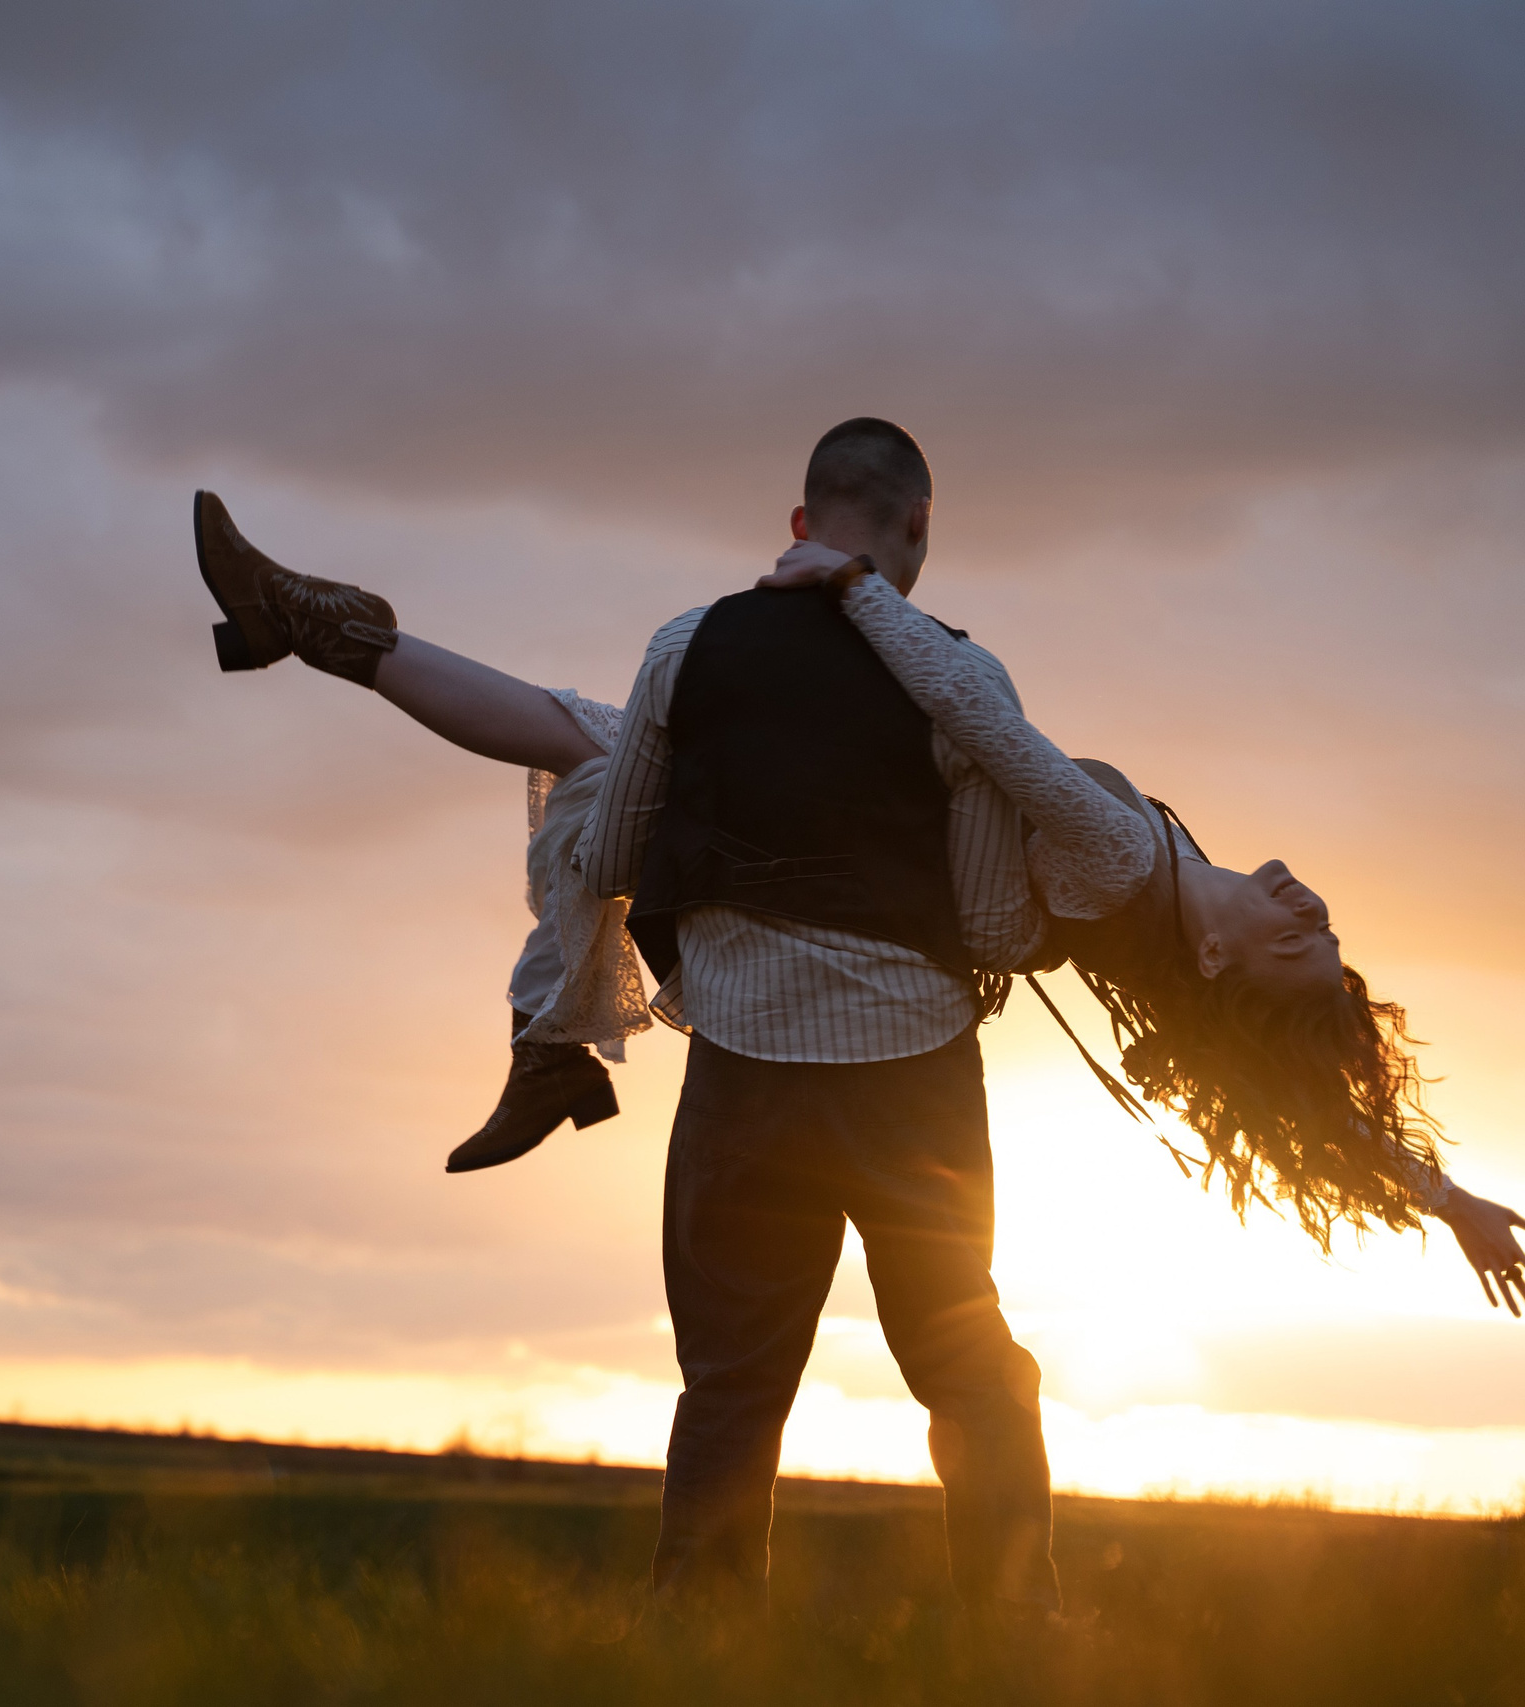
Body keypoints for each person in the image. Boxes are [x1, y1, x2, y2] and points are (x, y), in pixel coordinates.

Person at [191, 417, 1525, 1613]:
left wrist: (854, 594)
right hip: (875, 957)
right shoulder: (1160, 860)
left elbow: (984, 736)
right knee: (580, 734)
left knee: (601, 753)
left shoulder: (1113, 862)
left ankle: (909, 1620)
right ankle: (335, 632)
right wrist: (1447, 1196)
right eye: (1325, 928)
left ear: (1227, 968)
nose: (1312, 911)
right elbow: (1299, 1102)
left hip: (878, 998)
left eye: (1302, 948)